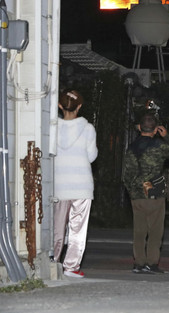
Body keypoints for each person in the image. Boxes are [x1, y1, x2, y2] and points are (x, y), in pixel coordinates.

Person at [122, 113, 169, 274]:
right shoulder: (159, 145)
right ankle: (151, 263)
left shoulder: (131, 147)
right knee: (155, 230)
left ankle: (138, 263)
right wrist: (167, 136)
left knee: (139, 231)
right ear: (156, 129)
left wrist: (131, 191)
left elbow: (126, 173)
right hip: (154, 192)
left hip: (136, 194)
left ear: (139, 128)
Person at [53, 89, 98, 278]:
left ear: (59, 105)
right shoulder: (87, 129)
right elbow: (91, 156)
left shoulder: (51, 127)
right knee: (77, 229)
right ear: (79, 106)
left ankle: (51, 262)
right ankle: (71, 266)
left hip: (58, 184)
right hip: (81, 185)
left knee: (56, 227)